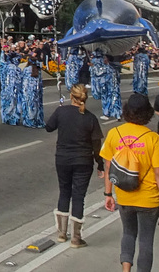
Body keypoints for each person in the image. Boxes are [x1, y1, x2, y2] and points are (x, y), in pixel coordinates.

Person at [102, 93, 159, 272]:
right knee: (146, 241)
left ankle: (125, 270)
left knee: (128, 234)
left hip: (124, 195)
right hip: (149, 199)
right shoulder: (153, 139)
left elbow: (107, 166)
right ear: (147, 114)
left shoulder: (114, 133)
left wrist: (108, 194)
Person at [45, 83, 104, 247]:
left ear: (71, 96)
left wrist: (59, 111)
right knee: (78, 196)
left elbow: (48, 127)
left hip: (63, 158)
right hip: (83, 160)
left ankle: (62, 233)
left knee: (64, 191)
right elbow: (96, 145)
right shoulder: (90, 117)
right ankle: (76, 238)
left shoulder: (61, 111)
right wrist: (100, 164)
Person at [91, 50, 122, 120]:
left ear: (107, 59)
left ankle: (106, 114)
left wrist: (93, 67)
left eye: (105, 58)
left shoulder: (106, 68)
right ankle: (118, 114)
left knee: (106, 100)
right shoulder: (115, 68)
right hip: (115, 87)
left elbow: (98, 74)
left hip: (107, 87)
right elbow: (119, 78)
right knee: (115, 100)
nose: (103, 60)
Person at [0, 51, 22, 126]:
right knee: (13, 104)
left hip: (6, 89)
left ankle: (6, 118)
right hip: (12, 89)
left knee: (7, 103)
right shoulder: (13, 68)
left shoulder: (6, 66)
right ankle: (13, 119)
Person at [21, 62, 45, 129]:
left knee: (28, 105)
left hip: (28, 91)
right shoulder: (38, 70)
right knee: (36, 106)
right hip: (36, 91)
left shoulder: (26, 69)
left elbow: (23, 79)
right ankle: (36, 120)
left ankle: (29, 121)